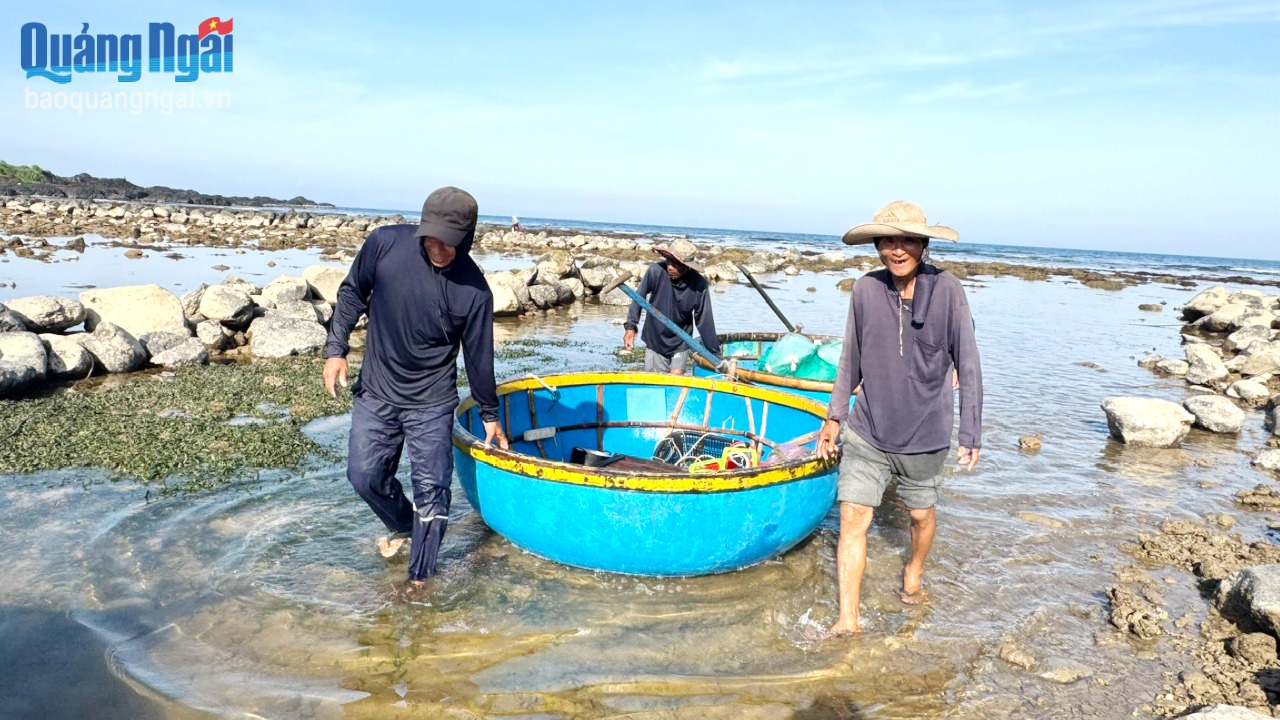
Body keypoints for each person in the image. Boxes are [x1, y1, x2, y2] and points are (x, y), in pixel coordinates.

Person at [323, 186, 509, 586]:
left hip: (432, 402)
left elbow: (479, 359)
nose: (438, 247)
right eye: (432, 235)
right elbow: (353, 291)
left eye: (450, 240)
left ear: (468, 238)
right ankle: (407, 528)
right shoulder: (385, 244)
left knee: (433, 491)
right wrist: (335, 349)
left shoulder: (475, 291)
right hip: (377, 390)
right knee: (364, 476)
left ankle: (419, 582)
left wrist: (490, 415)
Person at [816, 200, 983, 634]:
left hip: (925, 435)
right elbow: (849, 358)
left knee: (919, 516)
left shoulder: (948, 291)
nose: (897, 249)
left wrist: (971, 430)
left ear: (923, 245)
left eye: (906, 240)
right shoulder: (865, 291)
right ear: (876, 245)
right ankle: (847, 619)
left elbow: (969, 361)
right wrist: (834, 417)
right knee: (852, 514)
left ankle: (913, 571)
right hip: (868, 430)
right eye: (888, 240)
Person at [622, 244, 721, 374]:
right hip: (656, 338)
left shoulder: (698, 285)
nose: (670, 267)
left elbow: (704, 320)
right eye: (669, 261)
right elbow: (638, 297)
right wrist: (631, 326)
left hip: (681, 340)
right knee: (656, 383)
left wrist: (715, 355)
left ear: (687, 266)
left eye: (676, 264)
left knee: (676, 379)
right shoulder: (655, 271)